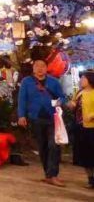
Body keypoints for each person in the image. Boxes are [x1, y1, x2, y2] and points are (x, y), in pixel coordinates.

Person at [18, 58, 67, 187]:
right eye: (37, 65)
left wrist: (57, 102)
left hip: (53, 117)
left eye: (42, 66)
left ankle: (53, 175)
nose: (40, 68)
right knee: (43, 147)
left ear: (46, 68)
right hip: (35, 118)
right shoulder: (26, 82)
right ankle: (48, 175)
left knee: (53, 145)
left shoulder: (54, 81)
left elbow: (62, 97)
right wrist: (21, 115)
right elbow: (22, 99)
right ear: (33, 68)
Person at [69, 70, 94, 188]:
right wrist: (71, 105)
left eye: (83, 78)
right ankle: (90, 179)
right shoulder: (79, 92)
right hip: (80, 127)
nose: (81, 80)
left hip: (92, 128)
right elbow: (74, 104)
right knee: (84, 154)